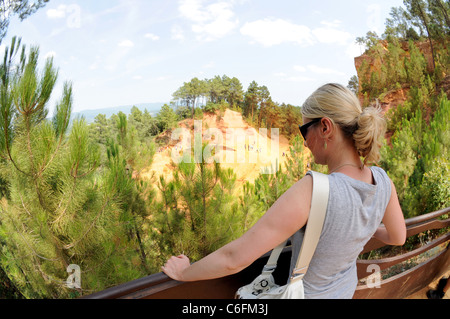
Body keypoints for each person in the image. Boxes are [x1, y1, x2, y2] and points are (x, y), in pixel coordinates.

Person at [162, 83, 407, 299]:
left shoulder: (315, 189)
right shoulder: (382, 180)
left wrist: (184, 272)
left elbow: (234, 259)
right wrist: (363, 225)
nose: (304, 141)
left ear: (325, 127)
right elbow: (398, 237)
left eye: (304, 130)